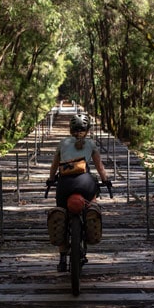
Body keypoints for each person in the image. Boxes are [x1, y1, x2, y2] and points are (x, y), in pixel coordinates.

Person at [46, 113, 111, 271]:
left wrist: (50, 180)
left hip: (64, 184)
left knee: (61, 212)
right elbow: (100, 167)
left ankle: (62, 259)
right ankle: (90, 216)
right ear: (87, 130)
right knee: (91, 203)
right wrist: (106, 181)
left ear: (70, 129)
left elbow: (54, 167)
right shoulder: (90, 144)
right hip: (85, 183)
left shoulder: (62, 143)